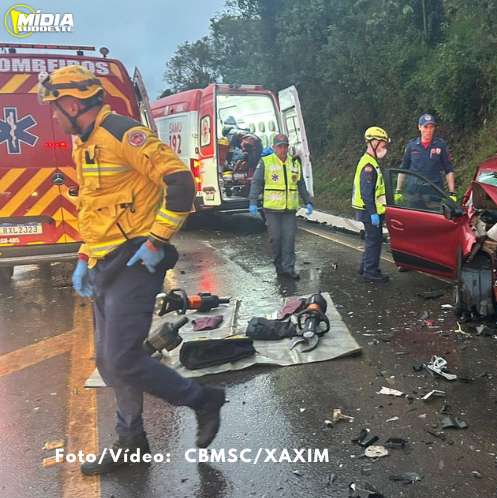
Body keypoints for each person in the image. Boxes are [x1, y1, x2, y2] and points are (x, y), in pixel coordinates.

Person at [38, 65, 226, 475]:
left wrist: (157, 240)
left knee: (123, 358)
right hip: (103, 263)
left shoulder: (123, 134)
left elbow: (179, 183)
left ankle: (202, 399)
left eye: (55, 106)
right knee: (108, 362)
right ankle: (131, 441)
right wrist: (85, 257)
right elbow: (93, 205)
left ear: (73, 103)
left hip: (135, 261)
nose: (53, 114)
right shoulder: (82, 143)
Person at [248, 134, 313, 279]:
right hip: (272, 210)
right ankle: (279, 266)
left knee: (289, 239)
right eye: (280, 146)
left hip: (289, 209)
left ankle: (288, 268)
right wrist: (252, 201)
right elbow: (256, 182)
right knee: (276, 239)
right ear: (274, 148)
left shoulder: (294, 163)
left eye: (285, 146)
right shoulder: (266, 162)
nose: (282, 149)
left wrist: (308, 201)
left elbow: (300, 184)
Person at [352, 127, 391, 283]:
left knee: (371, 239)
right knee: (374, 241)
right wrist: (373, 213)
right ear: (373, 142)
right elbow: (366, 193)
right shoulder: (368, 165)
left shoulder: (371, 161)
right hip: (369, 211)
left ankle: (365, 267)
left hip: (369, 210)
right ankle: (371, 272)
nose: (384, 147)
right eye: (382, 144)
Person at [395, 113, 456, 209]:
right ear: (419, 127)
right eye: (425, 127)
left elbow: (448, 170)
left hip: (434, 192)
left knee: (434, 221)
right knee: (414, 220)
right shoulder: (411, 146)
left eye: (431, 127)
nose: (428, 130)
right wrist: (398, 190)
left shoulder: (440, 145)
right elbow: (403, 169)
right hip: (414, 192)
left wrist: (452, 193)